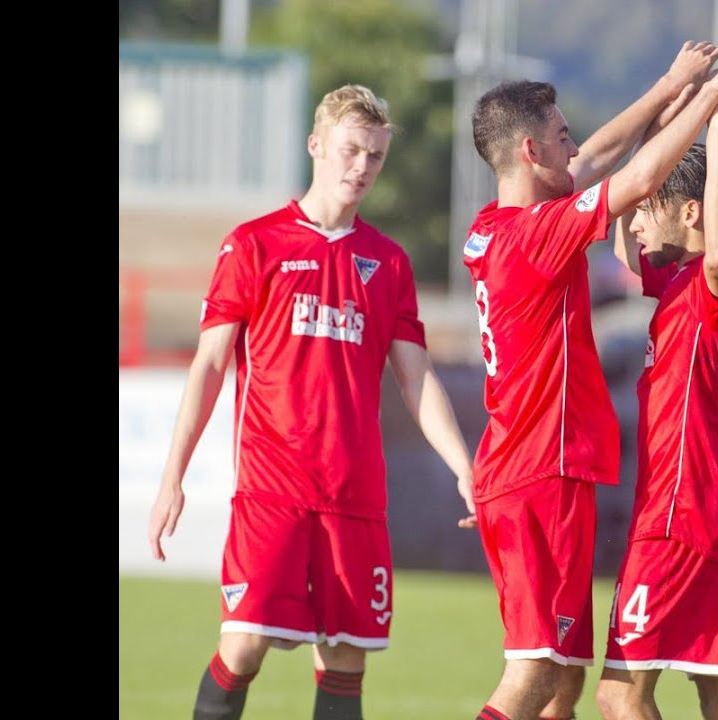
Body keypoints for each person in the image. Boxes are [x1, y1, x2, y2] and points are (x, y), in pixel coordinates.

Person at [464, 30, 718, 720]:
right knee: (551, 675)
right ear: (531, 152)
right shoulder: (536, 236)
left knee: (571, 681)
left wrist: (680, 99)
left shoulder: (495, 228)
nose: (575, 148)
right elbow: (627, 187)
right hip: (547, 473)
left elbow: (617, 180)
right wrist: (706, 104)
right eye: (562, 137)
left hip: (652, 498)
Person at [147, 84, 476, 720]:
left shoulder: (388, 262)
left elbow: (416, 377)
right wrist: (172, 478)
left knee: (345, 660)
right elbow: (210, 364)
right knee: (243, 646)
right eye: (351, 150)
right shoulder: (253, 244)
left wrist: (464, 467)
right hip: (272, 491)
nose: (362, 166)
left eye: (375, 155)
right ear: (315, 145)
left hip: (355, 497)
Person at [594, 59, 718, 720]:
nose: (639, 222)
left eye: (651, 210)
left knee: (620, 693)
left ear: (693, 212)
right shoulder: (676, 282)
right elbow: (624, 249)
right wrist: (667, 126)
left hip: (680, 514)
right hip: (717, 504)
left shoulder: (717, 286)